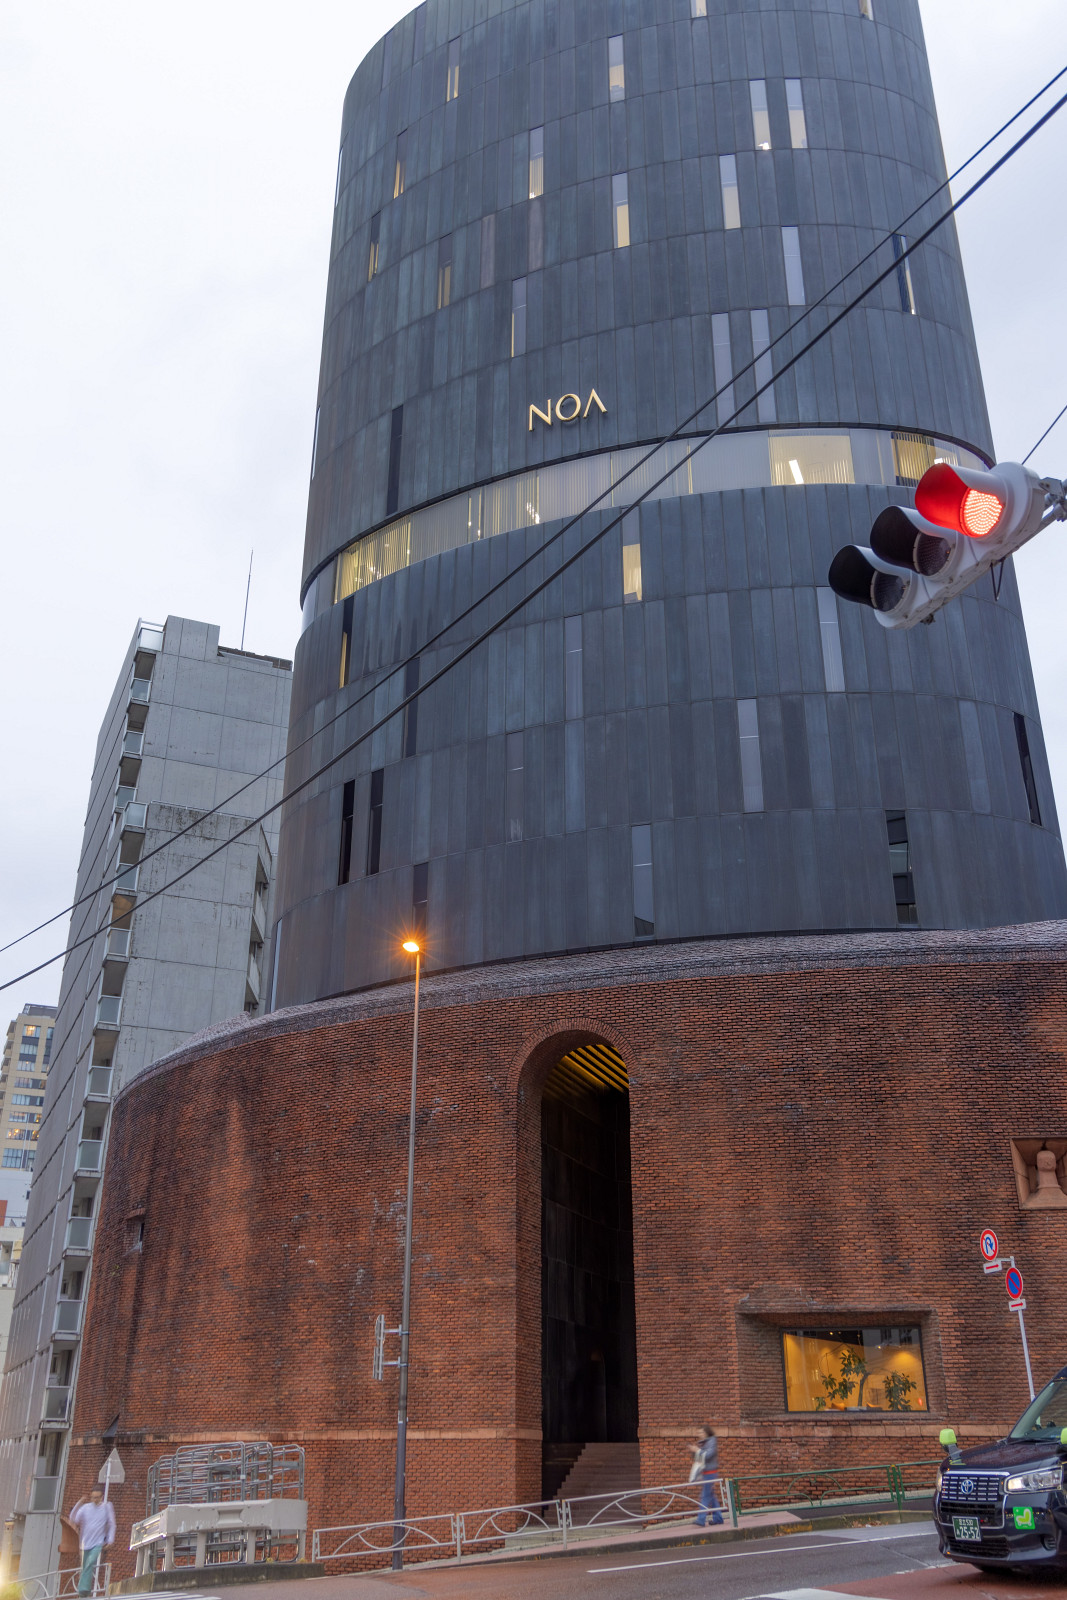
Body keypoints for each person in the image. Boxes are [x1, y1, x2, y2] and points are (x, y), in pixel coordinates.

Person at [68, 1486, 116, 1595]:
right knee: (85, 1567)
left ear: (102, 1497)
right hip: (85, 1543)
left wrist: (110, 1540)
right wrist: (79, 1503)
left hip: (98, 1542)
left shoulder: (107, 1507)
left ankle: (83, 1589)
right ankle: (84, 1594)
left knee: (90, 1563)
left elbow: (112, 1523)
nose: (95, 1500)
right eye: (93, 1497)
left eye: (97, 1497)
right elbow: (73, 1519)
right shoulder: (85, 1508)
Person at [690, 1424, 723, 1526]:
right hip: (705, 1472)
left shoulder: (712, 1441)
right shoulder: (702, 1442)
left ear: (707, 1432)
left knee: (705, 1495)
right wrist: (694, 1451)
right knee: (711, 1496)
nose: (699, 1434)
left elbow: (708, 1455)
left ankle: (701, 1519)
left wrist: (698, 1450)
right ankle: (718, 1518)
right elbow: (698, 1457)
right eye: (698, 1432)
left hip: (711, 1472)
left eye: (701, 1432)